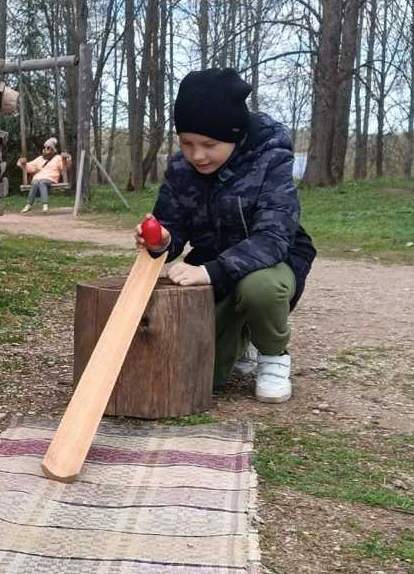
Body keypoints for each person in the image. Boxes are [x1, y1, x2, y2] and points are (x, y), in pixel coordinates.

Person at [134, 68, 315, 403]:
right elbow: (173, 227)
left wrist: (207, 272)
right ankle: (239, 338)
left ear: (234, 135)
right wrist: (160, 240)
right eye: (186, 143)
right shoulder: (181, 168)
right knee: (205, 375)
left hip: (272, 263)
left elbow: (273, 238)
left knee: (260, 288)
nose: (197, 155)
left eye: (209, 145)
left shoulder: (271, 160)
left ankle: (274, 355)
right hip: (213, 267)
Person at [19, 139, 69, 212]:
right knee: (35, 182)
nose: (45, 149)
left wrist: (67, 159)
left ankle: (45, 205)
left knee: (42, 182)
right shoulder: (39, 159)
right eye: (45, 148)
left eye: (48, 148)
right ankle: (28, 204)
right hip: (38, 178)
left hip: (50, 178)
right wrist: (23, 163)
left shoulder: (58, 158)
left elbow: (64, 167)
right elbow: (30, 167)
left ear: (53, 150)